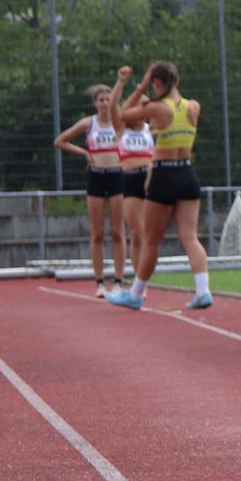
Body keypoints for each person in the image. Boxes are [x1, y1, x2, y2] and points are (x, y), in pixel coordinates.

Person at [107, 61, 213, 311]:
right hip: (187, 172)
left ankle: (135, 294)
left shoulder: (156, 108)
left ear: (156, 83)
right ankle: (203, 290)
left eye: (152, 84)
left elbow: (123, 113)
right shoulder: (193, 106)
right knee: (190, 236)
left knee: (152, 241)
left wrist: (140, 86)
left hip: (164, 174)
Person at [53, 84, 125, 294]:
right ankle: (100, 282)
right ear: (95, 103)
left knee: (118, 232)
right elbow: (59, 141)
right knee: (97, 233)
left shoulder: (120, 121)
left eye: (108, 100)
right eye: (101, 100)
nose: (105, 104)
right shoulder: (89, 123)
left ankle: (119, 281)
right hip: (96, 177)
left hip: (116, 175)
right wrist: (84, 152)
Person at [115, 80, 154, 273]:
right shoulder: (121, 128)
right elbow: (120, 108)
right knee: (136, 232)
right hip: (130, 178)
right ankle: (138, 279)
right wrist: (139, 90)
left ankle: (145, 276)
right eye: (138, 107)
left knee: (149, 232)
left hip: (149, 178)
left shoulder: (150, 129)